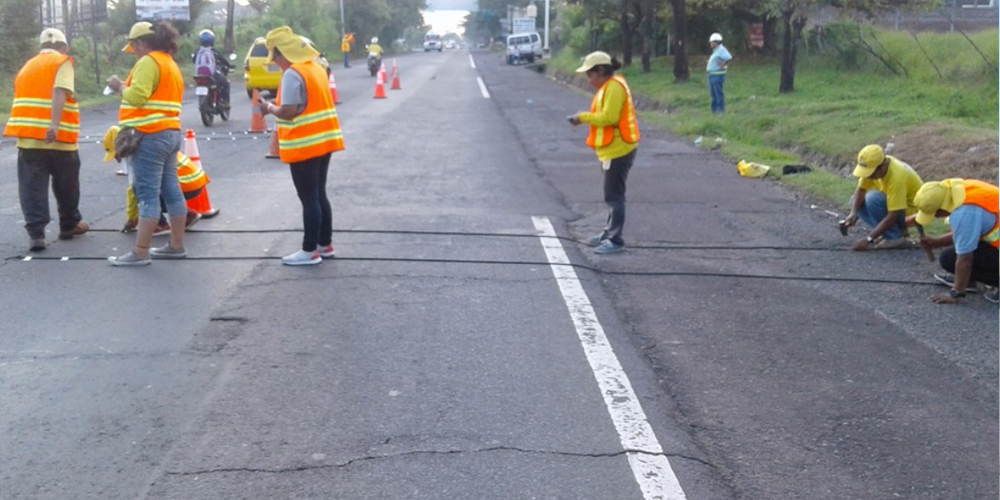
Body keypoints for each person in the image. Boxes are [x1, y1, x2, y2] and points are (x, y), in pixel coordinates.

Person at [259, 26, 345, 266]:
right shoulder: (316, 68)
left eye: (275, 56)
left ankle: (309, 251)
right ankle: (324, 245)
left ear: (282, 53)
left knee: (308, 197)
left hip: (305, 144)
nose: (275, 61)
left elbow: (287, 112)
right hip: (324, 141)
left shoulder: (292, 74)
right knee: (319, 194)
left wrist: (269, 108)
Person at [105, 21, 187, 266]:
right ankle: (176, 245)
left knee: (148, 194)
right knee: (172, 190)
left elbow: (138, 95)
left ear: (140, 43)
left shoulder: (148, 62)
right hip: (171, 133)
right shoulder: (170, 63)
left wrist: (119, 86)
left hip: (150, 135)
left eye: (134, 47)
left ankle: (140, 251)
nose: (135, 53)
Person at [3, 28, 88, 252]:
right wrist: (54, 124)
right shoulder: (62, 62)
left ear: (40, 47)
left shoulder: (27, 66)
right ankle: (69, 225)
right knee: (67, 184)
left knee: (32, 188)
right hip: (59, 138)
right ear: (64, 47)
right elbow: (60, 90)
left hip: (30, 140)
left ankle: (36, 234)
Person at [568, 51, 641, 255]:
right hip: (612, 149)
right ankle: (608, 232)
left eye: (590, 75)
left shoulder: (614, 88)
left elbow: (609, 117)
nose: (589, 80)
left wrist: (583, 117)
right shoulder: (608, 87)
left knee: (614, 196)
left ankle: (615, 239)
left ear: (601, 71)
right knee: (612, 195)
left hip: (619, 150)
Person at [102, 126, 210, 233]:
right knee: (156, 185)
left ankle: (160, 224)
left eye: (116, 155)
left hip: (186, 184)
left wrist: (131, 219)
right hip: (194, 182)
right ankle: (187, 215)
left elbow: (134, 190)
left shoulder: (138, 156)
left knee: (141, 189)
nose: (117, 160)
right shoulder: (146, 142)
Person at [911, 179, 999, 304]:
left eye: (935, 213)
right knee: (951, 257)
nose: (935, 217)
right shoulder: (961, 189)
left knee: (950, 260)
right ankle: (966, 279)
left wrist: (956, 293)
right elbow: (968, 232)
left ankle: (967, 282)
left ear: (941, 207)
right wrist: (938, 242)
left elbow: (965, 259)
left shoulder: (965, 212)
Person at [842, 144, 923, 251]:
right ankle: (889, 233)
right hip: (895, 206)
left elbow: (893, 214)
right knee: (855, 201)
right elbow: (861, 190)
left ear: (882, 166)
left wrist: (868, 239)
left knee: (873, 199)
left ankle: (895, 237)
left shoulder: (897, 177)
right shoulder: (876, 165)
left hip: (912, 212)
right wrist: (853, 213)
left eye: (870, 173)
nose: (868, 176)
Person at [192, 29, 231, 109]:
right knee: (226, 83)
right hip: (211, 74)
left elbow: (193, 60)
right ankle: (226, 102)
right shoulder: (213, 51)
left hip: (199, 75)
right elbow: (223, 60)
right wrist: (229, 65)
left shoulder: (198, 51)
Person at [706, 33, 732, 115]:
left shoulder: (721, 50)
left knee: (718, 94)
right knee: (713, 94)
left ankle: (720, 111)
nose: (710, 44)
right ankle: (714, 111)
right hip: (712, 74)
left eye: (711, 42)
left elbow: (729, 57)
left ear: (716, 42)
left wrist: (723, 64)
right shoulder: (716, 51)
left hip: (717, 75)